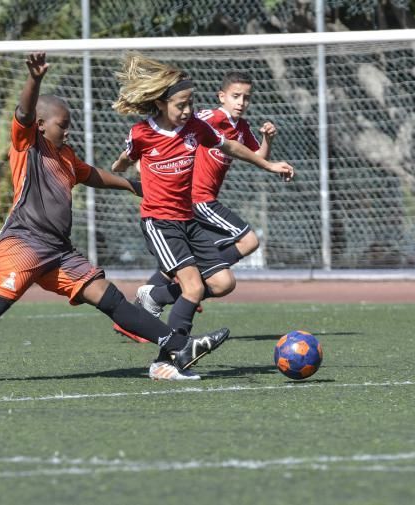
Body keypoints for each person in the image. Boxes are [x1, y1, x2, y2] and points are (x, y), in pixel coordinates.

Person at [0, 53, 229, 383]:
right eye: (64, 125)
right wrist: (34, 81)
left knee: (110, 299)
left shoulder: (65, 155)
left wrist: (132, 186)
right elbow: (25, 112)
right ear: (42, 126)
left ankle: (178, 345)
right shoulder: (28, 145)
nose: (69, 130)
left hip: (59, 252)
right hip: (25, 243)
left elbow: (91, 175)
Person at [110, 53, 295, 367]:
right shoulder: (143, 133)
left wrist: (267, 162)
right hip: (161, 221)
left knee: (223, 283)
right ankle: (168, 361)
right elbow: (125, 159)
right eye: (180, 104)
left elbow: (233, 147)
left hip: (188, 221)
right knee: (194, 286)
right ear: (160, 103)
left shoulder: (196, 127)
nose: (186, 110)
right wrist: (123, 170)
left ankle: (155, 297)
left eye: (189, 103)